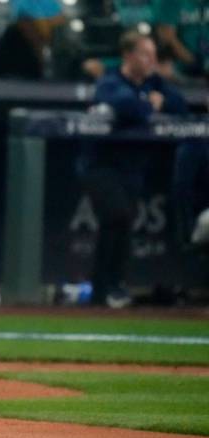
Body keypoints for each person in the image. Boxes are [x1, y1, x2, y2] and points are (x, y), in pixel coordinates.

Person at [76, 31, 187, 307]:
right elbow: (128, 106)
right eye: (144, 54)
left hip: (131, 171)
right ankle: (110, 285)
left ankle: (105, 289)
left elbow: (179, 104)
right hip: (100, 166)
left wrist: (153, 99)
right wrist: (149, 102)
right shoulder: (111, 80)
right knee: (118, 215)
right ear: (128, 55)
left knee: (118, 226)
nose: (151, 60)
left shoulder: (154, 81)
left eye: (153, 55)